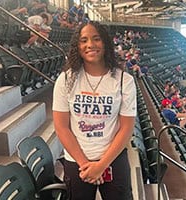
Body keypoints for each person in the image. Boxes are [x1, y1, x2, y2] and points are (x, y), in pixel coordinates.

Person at [52, 21, 136, 200]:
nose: (90, 44)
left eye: (96, 39)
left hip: (113, 159)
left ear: (105, 43)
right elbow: (61, 127)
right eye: (84, 40)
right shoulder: (66, 79)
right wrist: (84, 164)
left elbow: (127, 127)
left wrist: (102, 165)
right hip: (77, 162)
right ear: (77, 46)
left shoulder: (124, 81)